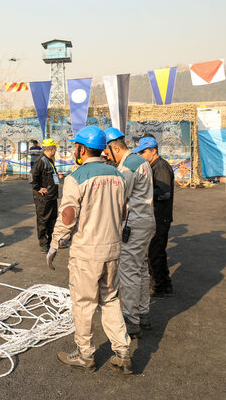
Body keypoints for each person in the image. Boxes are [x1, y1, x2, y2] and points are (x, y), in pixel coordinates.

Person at [46, 126, 132, 375]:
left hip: (86, 253)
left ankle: (85, 354)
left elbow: (68, 214)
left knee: (83, 304)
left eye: (76, 146)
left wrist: (54, 244)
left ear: (82, 149)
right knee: (110, 299)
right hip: (113, 250)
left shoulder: (77, 177)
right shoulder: (118, 175)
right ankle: (123, 352)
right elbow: (124, 212)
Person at [104, 128, 155, 337]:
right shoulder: (139, 161)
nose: (106, 155)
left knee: (129, 272)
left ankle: (131, 319)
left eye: (107, 151)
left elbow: (119, 196)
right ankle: (143, 314)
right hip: (145, 222)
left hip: (135, 225)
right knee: (141, 268)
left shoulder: (128, 166)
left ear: (115, 147)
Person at [133, 137, 174, 298]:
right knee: (153, 252)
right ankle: (160, 284)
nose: (141, 155)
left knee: (156, 253)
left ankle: (162, 286)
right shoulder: (152, 166)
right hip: (155, 215)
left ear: (153, 151)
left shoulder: (161, 167)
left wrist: (141, 192)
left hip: (160, 217)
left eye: (143, 152)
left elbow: (164, 193)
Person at [30, 138, 60, 253]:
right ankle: (43, 244)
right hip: (43, 199)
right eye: (55, 148)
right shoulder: (41, 161)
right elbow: (32, 177)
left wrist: (57, 175)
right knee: (43, 221)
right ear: (51, 149)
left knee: (52, 220)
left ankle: (51, 241)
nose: (56, 150)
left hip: (52, 196)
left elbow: (49, 175)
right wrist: (38, 188)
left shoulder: (49, 160)